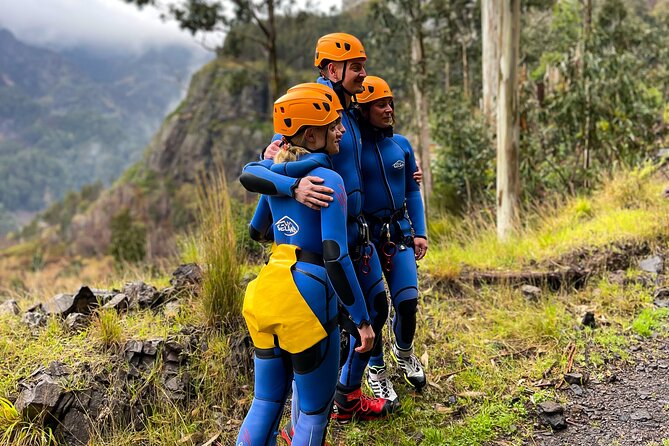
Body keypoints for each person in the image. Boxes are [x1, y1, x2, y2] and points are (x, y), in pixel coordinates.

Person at [240, 33, 395, 424]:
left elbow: (373, 150)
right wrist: (293, 185)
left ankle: (347, 397)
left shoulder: (352, 112)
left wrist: (404, 172)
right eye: (355, 66)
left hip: (360, 235)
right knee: (319, 337)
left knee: (376, 309)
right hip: (325, 242)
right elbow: (267, 163)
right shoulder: (313, 105)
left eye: (363, 64)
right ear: (331, 69)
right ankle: (301, 422)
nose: (363, 73)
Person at [236, 88, 375, 446]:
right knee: (313, 414)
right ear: (311, 135)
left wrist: (285, 203)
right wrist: (361, 320)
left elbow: (256, 231)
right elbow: (336, 257)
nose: (341, 131)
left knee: (265, 401)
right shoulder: (328, 182)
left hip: (266, 293)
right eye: (333, 126)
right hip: (309, 298)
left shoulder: (274, 177)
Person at [354, 76, 428, 403]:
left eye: (390, 103)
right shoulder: (350, 150)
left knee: (408, 303)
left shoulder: (402, 145)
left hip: (398, 235)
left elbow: (412, 189)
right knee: (376, 310)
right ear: (363, 109)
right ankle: (376, 370)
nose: (388, 109)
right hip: (366, 238)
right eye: (380, 104)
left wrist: (420, 232)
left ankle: (404, 351)